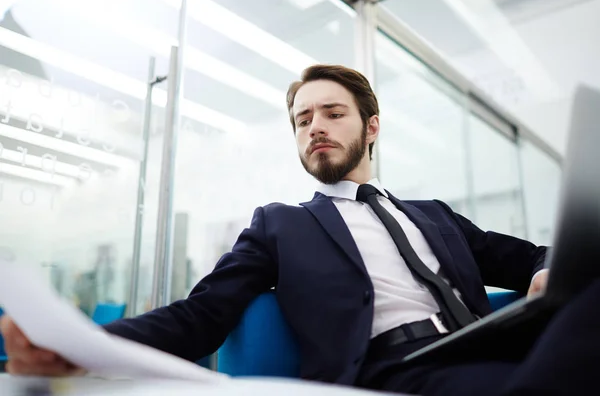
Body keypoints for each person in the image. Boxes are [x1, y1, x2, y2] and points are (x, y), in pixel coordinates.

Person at [1, 64, 598, 395]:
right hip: (398, 370)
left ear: (372, 127)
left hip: (484, 341)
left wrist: (546, 273)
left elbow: (541, 256)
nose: (314, 126)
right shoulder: (281, 227)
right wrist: (77, 346)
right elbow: (201, 315)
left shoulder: (436, 215)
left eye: (333, 113)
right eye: (302, 119)